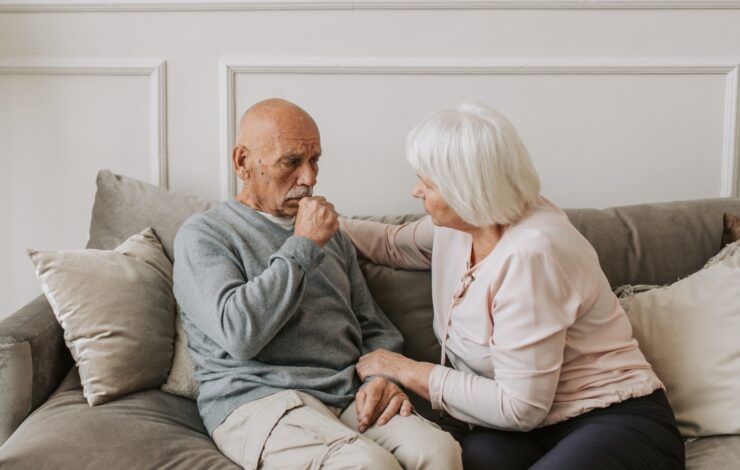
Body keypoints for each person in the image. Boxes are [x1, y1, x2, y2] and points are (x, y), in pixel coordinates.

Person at [340, 100, 686, 469]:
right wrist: (314, 222)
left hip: (610, 417)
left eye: (427, 182)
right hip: (518, 431)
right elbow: (392, 245)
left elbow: (520, 408)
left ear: (465, 189)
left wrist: (404, 368)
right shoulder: (461, 228)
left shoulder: (532, 253)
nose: (415, 191)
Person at [172, 98, 462, 470]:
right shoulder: (205, 234)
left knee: (440, 451)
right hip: (259, 400)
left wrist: (382, 375)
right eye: (291, 162)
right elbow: (239, 334)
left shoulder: (331, 233)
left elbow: (372, 323)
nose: (309, 178)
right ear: (242, 162)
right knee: (367, 465)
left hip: (344, 392)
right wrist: (305, 245)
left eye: (315, 161)